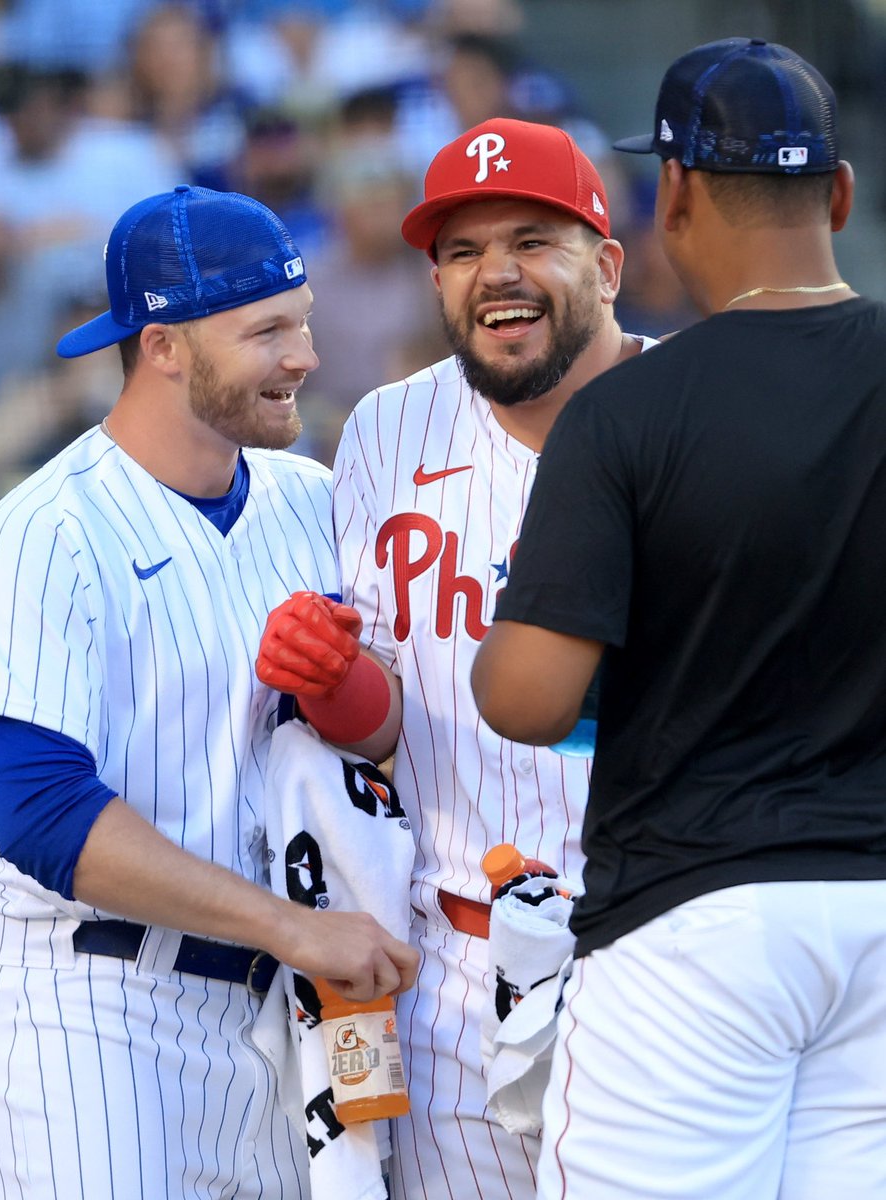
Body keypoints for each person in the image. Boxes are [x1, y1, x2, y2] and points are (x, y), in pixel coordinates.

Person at [471, 38, 886, 1200]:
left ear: (675, 194)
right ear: (841, 194)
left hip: (696, 918)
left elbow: (526, 699)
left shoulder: (626, 413)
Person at [0, 183, 417, 1200]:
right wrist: (290, 926)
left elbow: (391, 736)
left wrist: (351, 686)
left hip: (294, 1017)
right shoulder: (48, 531)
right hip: (93, 1012)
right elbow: (40, 815)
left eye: (300, 322)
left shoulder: (312, 498)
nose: (303, 355)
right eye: (266, 330)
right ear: (163, 346)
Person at [279, 116, 657, 1200]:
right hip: (452, 961)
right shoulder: (387, 427)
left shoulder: (699, 409)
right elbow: (385, 713)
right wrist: (336, 683)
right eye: (460, 249)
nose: (496, 272)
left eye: (532, 238)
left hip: (654, 943)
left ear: (607, 260)